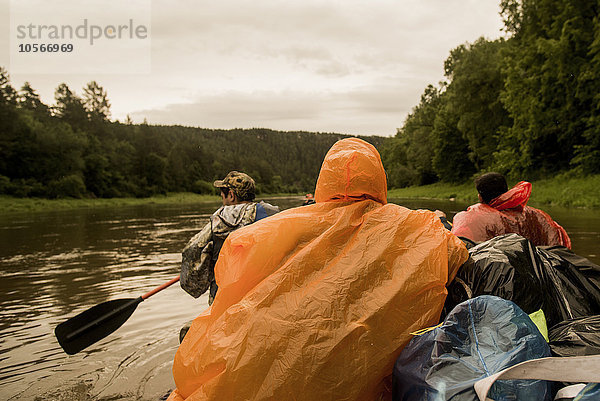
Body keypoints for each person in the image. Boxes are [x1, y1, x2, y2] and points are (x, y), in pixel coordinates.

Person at [167, 138, 468, 401]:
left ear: (324, 181)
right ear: (379, 180)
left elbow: (220, 277)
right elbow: (455, 251)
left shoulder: (275, 229)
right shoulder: (419, 227)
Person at [180, 171, 279, 306]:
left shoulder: (218, 221)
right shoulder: (271, 214)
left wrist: (203, 273)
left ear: (231, 195)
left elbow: (192, 251)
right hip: (263, 294)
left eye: (222, 195)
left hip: (224, 300)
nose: (222, 198)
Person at [451, 172, 571, 248]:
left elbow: (459, 247)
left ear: (480, 197)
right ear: (507, 190)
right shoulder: (535, 214)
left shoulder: (471, 217)